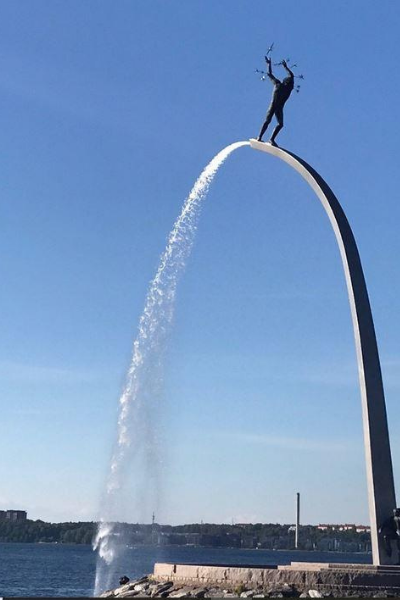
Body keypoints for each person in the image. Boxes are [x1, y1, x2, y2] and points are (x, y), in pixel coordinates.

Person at [257, 57, 294, 145]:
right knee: (267, 121)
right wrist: (268, 64)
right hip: (273, 106)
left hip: (279, 108)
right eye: (291, 83)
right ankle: (259, 137)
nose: (292, 85)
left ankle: (271, 139)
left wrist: (286, 67)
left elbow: (291, 76)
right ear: (286, 83)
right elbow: (269, 74)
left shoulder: (288, 89)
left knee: (280, 124)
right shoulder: (278, 85)